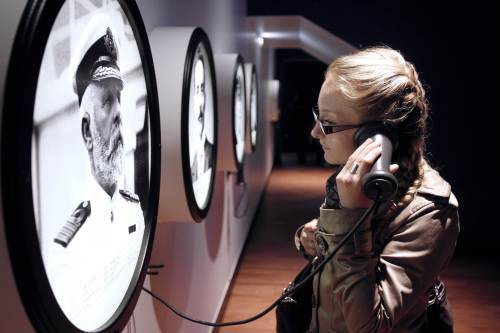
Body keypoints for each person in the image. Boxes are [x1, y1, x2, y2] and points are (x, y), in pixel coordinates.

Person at [294, 46, 459, 333]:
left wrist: (349, 217)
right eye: (318, 116)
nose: (315, 132)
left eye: (328, 123)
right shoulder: (353, 179)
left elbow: (370, 326)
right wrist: (306, 238)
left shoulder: (432, 212)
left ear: (375, 136)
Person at [46, 26, 145, 330]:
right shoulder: (66, 249)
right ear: (87, 131)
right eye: (106, 101)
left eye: (119, 98)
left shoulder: (133, 208)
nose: (119, 113)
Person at [190, 56, 214, 184]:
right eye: (197, 89)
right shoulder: (192, 159)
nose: (199, 103)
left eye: (202, 89)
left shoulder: (212, 152)